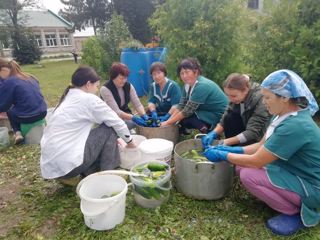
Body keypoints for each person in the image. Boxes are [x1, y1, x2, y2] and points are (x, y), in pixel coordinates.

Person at [203, 69, 320, 236]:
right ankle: (288, 199)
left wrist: (223, 155)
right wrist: (230, 148)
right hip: (294, 171)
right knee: (240, 168)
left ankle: (296, 212)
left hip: (312, 186)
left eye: (267, 97)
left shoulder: (295, 125)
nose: (264, 102)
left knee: (248, 175)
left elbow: (256, 161)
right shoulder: (281, 115)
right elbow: (260, 145)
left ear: (285, 97)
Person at [40, 66, 135, 183]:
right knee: (110, 128)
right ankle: (108, 174)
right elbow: (116, 122)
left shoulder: (68, 98)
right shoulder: (89, 99)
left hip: (54, 166)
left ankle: (88, 171)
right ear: (88, 84)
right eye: (96, 86)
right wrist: (131, 143)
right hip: (69, 166)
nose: (96, 90)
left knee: (98, 132)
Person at [202, 73, 271, 147]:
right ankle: (234, 147)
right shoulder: (236, 97)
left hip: (260, 136)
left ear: (245, 90)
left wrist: (226, 142)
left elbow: (253, 132)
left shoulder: (261, 99)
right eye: (227, 95)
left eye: (233, 96)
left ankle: (241, 148)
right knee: (229, 117)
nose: (230, 99)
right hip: (246, 128)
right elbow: (225, 118)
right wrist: (213, 133)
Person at [161, 57, 228, 134]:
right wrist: (169, 120)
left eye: (187, 72)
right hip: (207, 111)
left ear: (196, 72)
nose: (184, 76)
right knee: (182, 119)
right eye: (182, 73)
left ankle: (209, 131)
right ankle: (189, 129)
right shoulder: (187, 85)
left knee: (189, 118)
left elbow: (187, 111)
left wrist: (167, 123)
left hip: (221, 115)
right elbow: (181, 105)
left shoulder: (202, 85)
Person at [0, 58, 47, 144]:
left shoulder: (9, 82)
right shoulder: (29, 76)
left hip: (29, 117)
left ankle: (17, 133)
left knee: (10, 110)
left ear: (3, 70)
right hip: (43, 112)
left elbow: (3, 105)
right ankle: (18, 133)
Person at [100, 62, 148, 129]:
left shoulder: (129, 86)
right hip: (110, 117)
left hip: (124, 113)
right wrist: (133, 118)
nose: (124, 81)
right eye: (121, 78)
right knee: (130, 124)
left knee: (137, 123)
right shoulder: (105, 89)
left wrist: (144, 115)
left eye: (125, 78)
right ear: (113, 77)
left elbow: (138, 105)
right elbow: (116, 111)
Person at [147, 62, 181, 126]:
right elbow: (151, 102)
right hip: (160, 112)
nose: (157, 76)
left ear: (164, 73)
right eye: (154, 74)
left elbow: (176, 106)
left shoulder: (173, 86)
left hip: (173, 113)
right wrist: (153, 112)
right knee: (149, 115)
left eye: (159, 73)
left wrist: (167, 116)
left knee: (169, 123)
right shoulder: (153, 86)